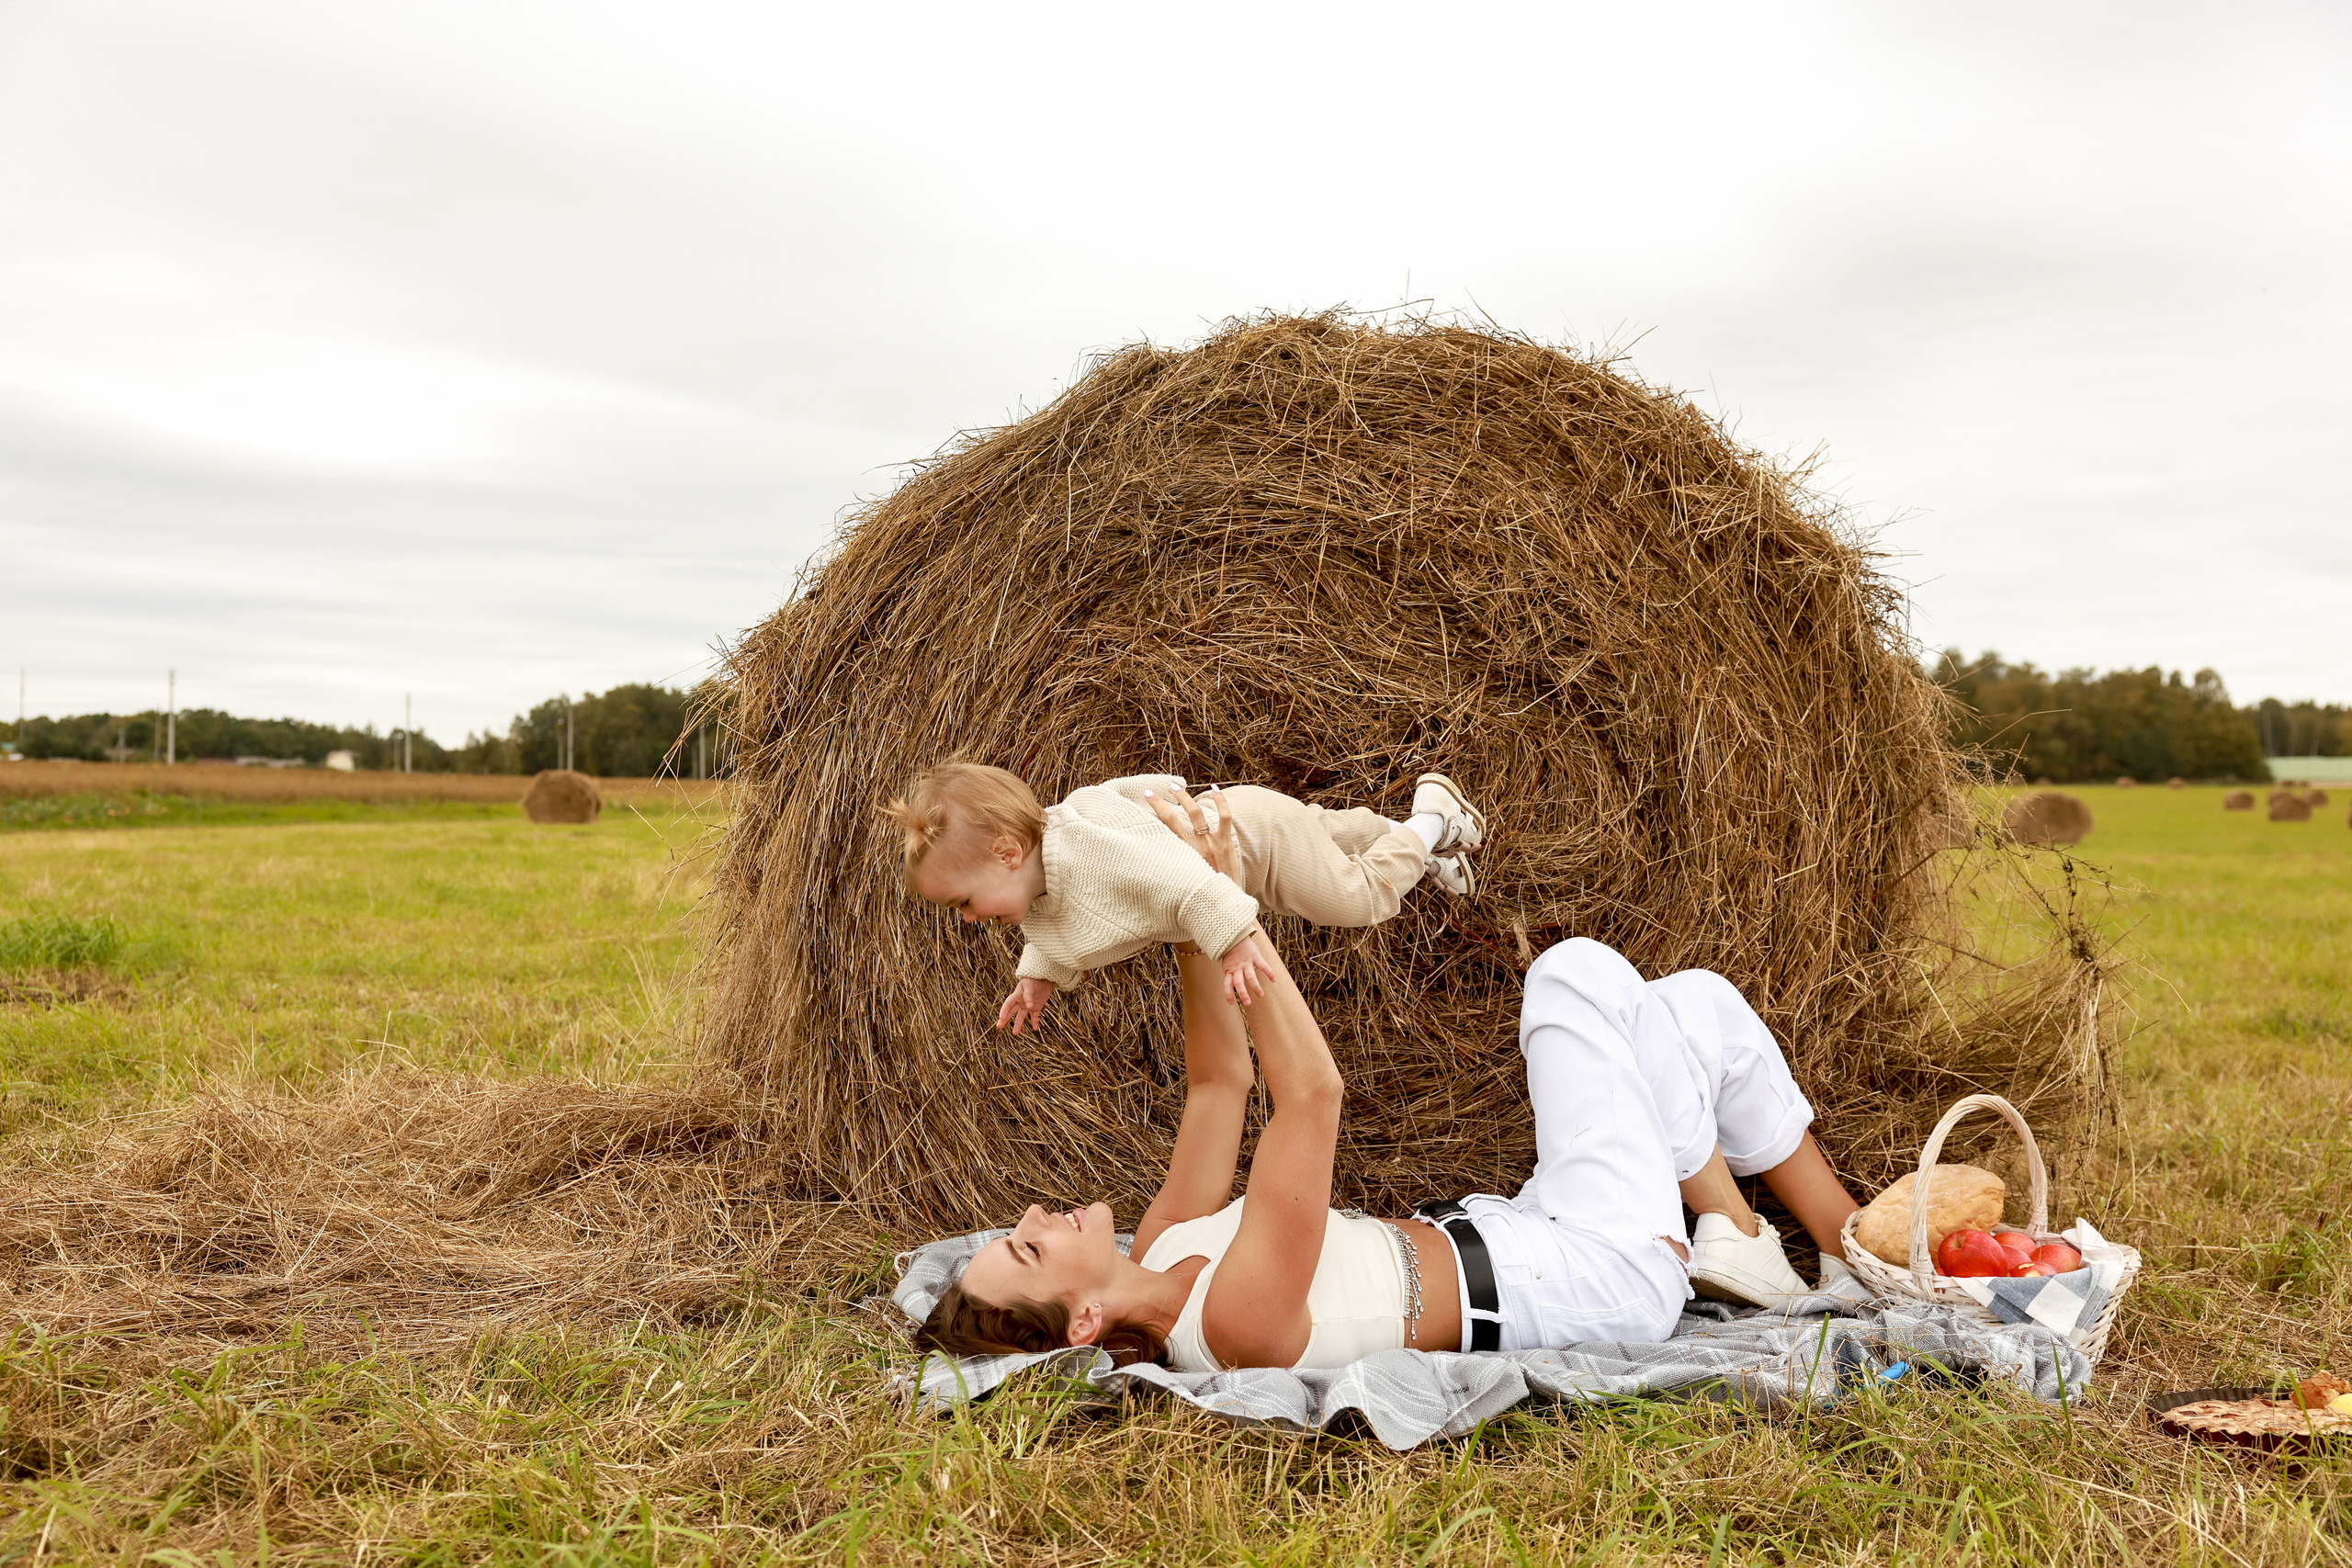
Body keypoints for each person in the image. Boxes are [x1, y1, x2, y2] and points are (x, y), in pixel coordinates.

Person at [912, 786, 1863, 1372]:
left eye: (1017, 1232)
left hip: (1528, 1223)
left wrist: (1191, 895)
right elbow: (1309, 1095)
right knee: (1572, 972)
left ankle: (1844, 1248)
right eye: (1031, 1251)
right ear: (1084, 1321)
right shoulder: (1229, 1327)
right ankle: (1734, 1230)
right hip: (1592, 1278)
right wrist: (1237, 918)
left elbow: (1217, 1087)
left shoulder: (1160, 1246)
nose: (1033, 1219)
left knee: (1686, 1002)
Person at [880, 761, 1485, 1032]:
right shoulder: (1046, 878)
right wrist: (1038, 977)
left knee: (1358, 897)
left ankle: (1430, 818)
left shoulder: (1094, 854)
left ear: (1008, 853)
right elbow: (1063, 926)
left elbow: (1190, 881)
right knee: (1328, 836)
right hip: (1247, 826)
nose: (967, 919)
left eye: (962, 900)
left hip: (1249, 842)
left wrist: (1238, 944)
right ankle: (1421, 843)